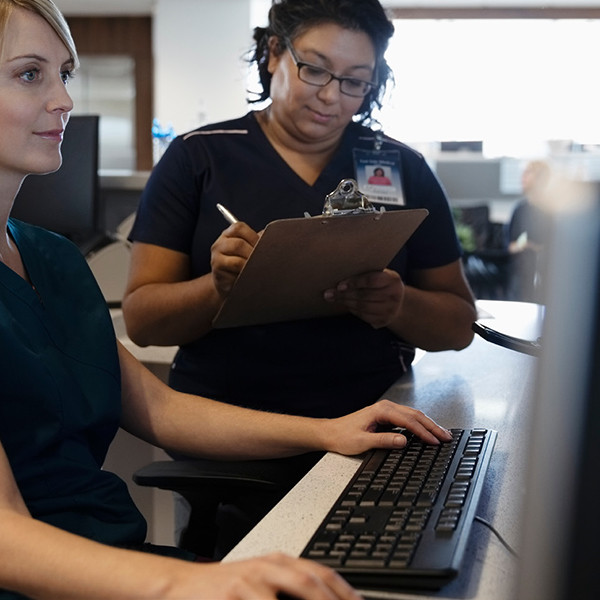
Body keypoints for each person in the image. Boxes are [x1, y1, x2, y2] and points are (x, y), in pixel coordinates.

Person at [0, 1, 456, 599]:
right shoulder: (200, 155)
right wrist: (195, 582)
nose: (64, 99)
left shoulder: (52, 257)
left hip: (113, 552)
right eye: (31, 74)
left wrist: (328, 431)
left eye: (66, 74)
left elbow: (161, 410)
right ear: (274, 57)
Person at [123, 0, 476, 556]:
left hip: (372, 430)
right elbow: (144, 320)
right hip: (236, 437)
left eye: (356, 81)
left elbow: (458, 323)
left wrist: (398, 304)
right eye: (314, 68)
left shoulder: (396, 165)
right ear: (272, 54)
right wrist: (217, 286)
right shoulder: (199, 159)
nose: (331, 96)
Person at [507, 160, 551, 302]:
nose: (522, 177)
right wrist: (526, 246)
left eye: (527, 173)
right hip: (522, 274)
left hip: (546, 272)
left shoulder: (552, 212)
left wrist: (535, 247)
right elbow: (510, 246)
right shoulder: (520, 210)